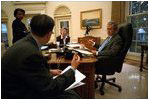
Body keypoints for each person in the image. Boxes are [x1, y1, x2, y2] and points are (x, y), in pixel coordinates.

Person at [2, 14, 81, 99]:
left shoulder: (24, 43)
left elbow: (26, 69)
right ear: (49, 34)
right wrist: (72, 68)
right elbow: (51, 88)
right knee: (72, 96)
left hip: (15, 87)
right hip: (19, 94)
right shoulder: (32, 54)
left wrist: (49, 71)